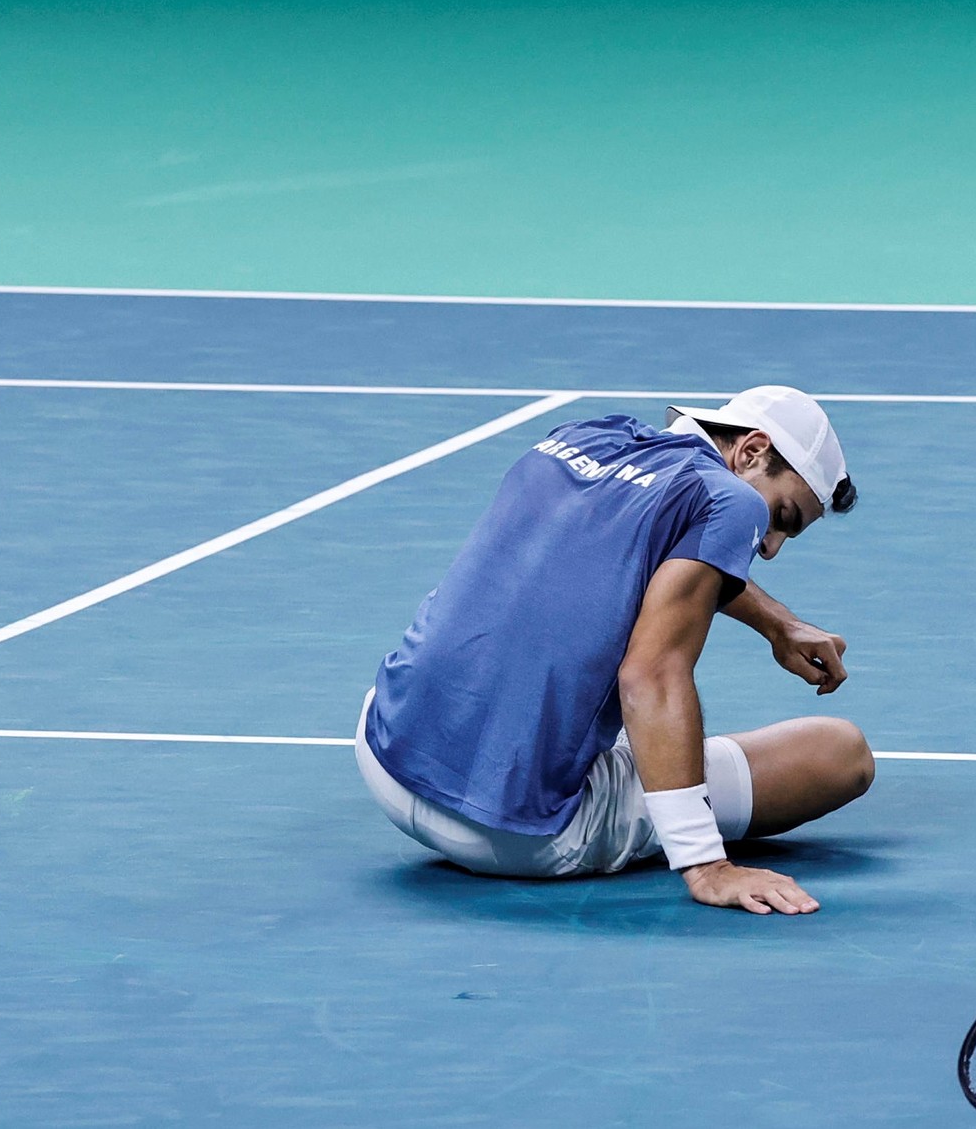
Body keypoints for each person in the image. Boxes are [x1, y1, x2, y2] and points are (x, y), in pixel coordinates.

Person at [356, 385, 875, 916]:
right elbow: (649, 677)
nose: (769, 546)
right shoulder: (733, 503)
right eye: (782, 516)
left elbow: (651, 548)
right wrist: (705, 864)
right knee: (840, 751)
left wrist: (778, 623)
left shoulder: (588, 437)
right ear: (752, 450)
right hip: (512, 828)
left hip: (386, 752)